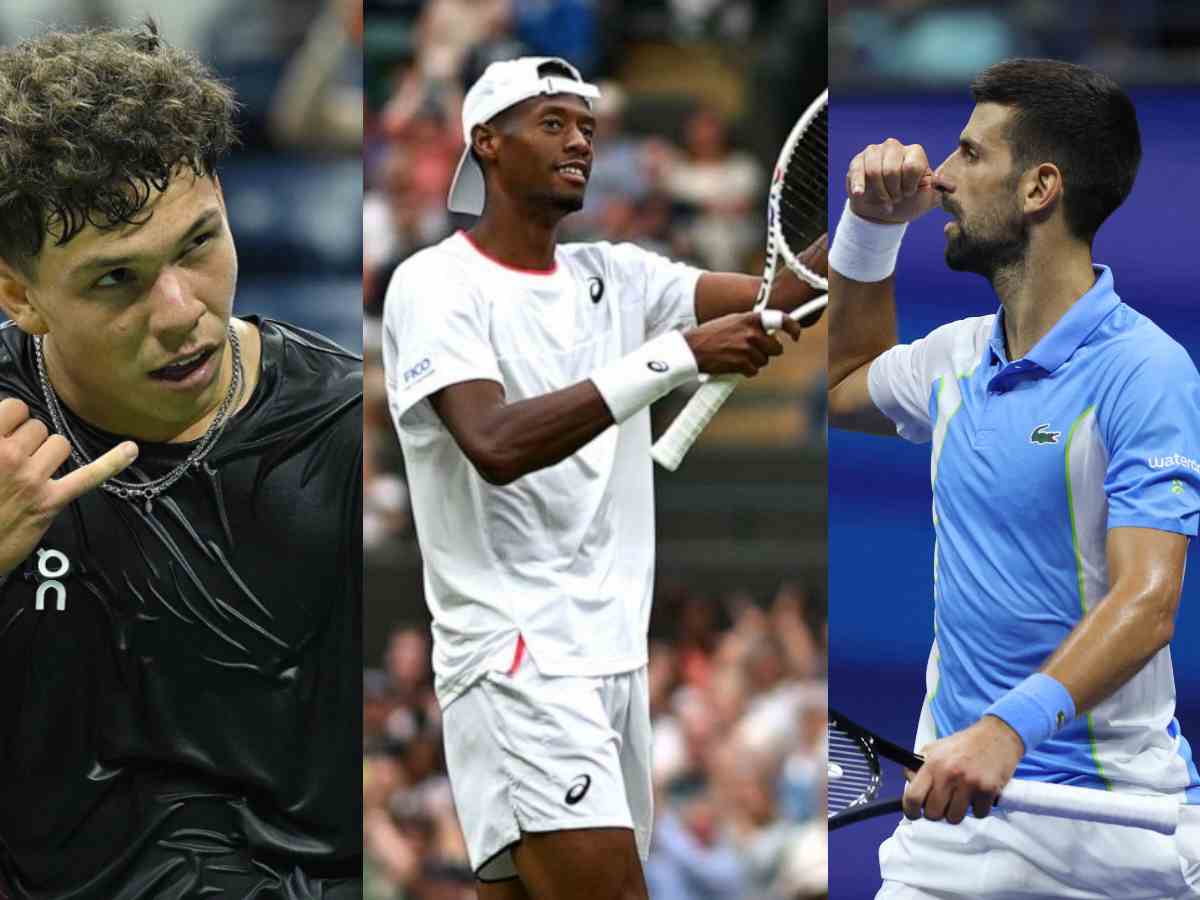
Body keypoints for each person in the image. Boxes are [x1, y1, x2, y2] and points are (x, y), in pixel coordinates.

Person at [382, 56, 826, 900]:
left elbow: (791, 293)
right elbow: (495, 444)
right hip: (517, 656)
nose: (579, 141)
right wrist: (675, 358)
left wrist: (872, 221)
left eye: (588, 127)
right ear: (486, 142)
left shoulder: (619, 276)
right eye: (552, 123)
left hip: (611, 661)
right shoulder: (434, 285)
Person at [0, 22, 362, 899]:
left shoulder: (346, 431)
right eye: (114, 279)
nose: (178, 311)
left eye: (198, 245)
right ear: (20, 296)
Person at [827, 58, 1200, 898]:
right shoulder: (956, 355)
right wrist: (871, 227)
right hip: (949, 829)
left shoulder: (1144, 370)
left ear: (1039, 189)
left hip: (1110, 838)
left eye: (969, 155)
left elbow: (1149, 598)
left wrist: (1007, 729)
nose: (940, 177)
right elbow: (842, 382)